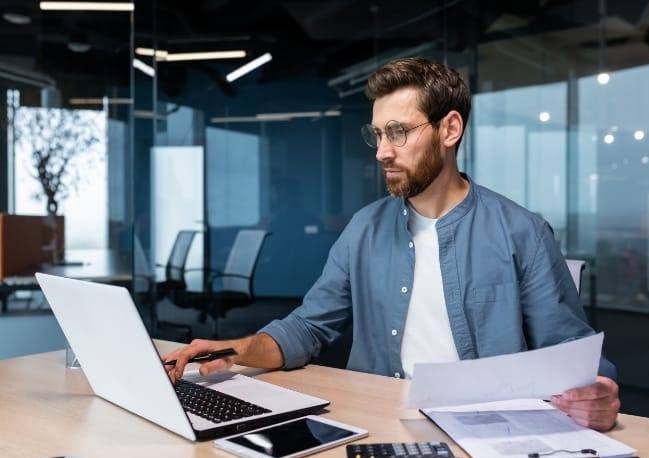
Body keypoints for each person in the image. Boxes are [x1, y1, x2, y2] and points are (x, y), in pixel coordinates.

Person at [163, 57, 620, 431]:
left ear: (450, 129)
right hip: (375, 422)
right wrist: (230, 349)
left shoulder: (522, 231)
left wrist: (597, 390)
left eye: (398, 132)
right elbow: (308, 328)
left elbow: (573, 354)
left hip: (488, 430)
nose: (383, 151)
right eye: (379, 134)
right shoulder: (364, 228)